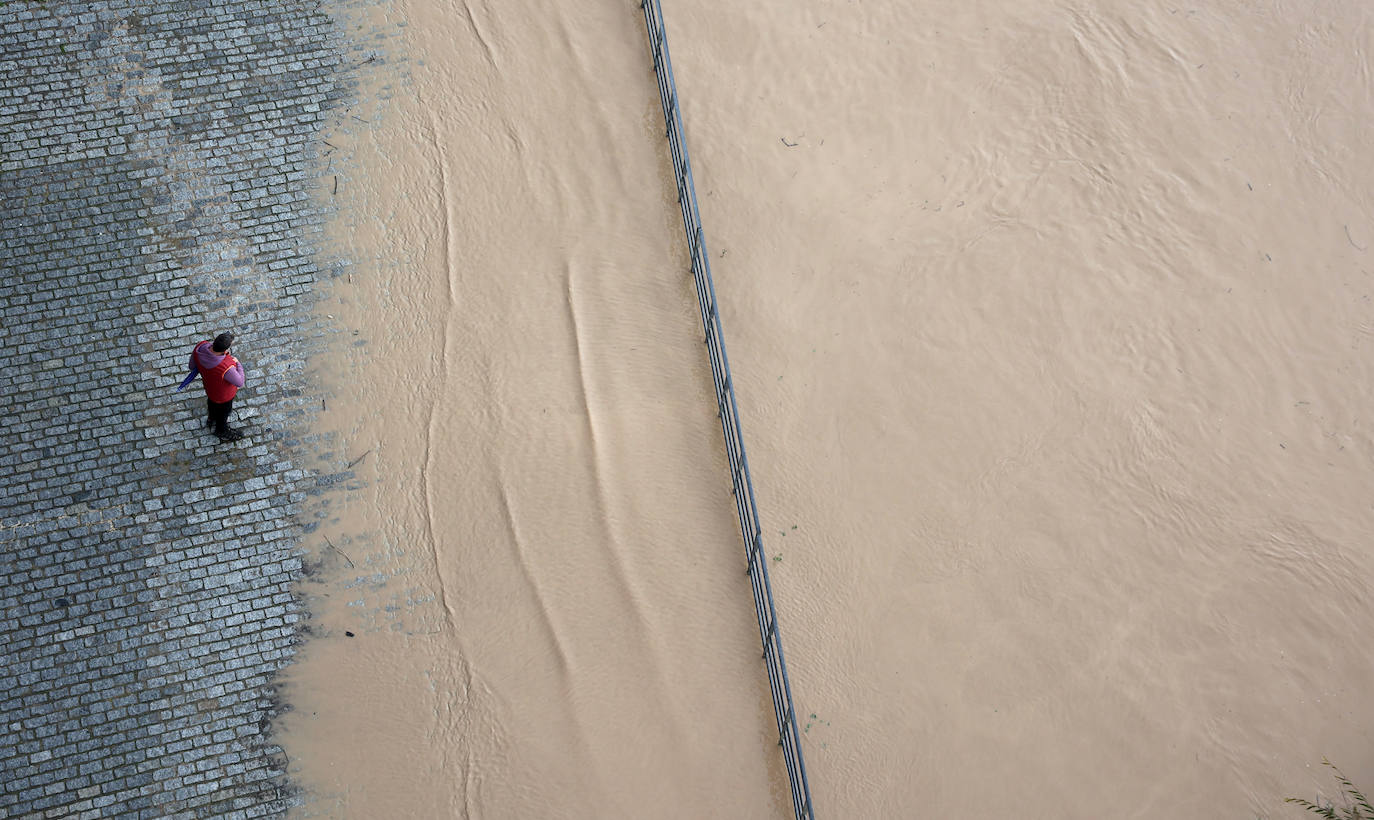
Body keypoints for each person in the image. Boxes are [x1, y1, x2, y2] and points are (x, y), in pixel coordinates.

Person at [184, 332, 246, 442]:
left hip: (210, 390)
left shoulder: (200, 347)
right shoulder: (226, 366)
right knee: (224, 413)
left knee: (212, 404)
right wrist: (238, 364)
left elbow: (191, 366)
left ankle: (211, 418)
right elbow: (240, 382)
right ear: (225, 350)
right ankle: (221, 430)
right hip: (224, 396)